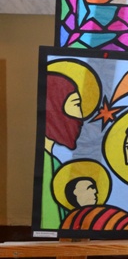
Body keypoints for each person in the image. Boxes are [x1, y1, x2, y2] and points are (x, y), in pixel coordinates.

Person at [41, 73, 84, 229]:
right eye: (76, 104)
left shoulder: (55, 164)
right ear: (55, 106)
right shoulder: (41, 163)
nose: (81, 116)